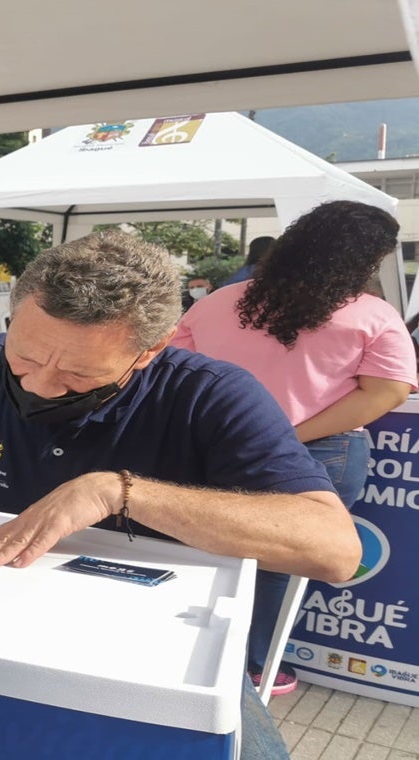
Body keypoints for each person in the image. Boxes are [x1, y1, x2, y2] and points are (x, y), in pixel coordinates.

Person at [0, 229, 360, 760]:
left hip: (161, 651)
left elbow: (335, 550)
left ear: (150, 351)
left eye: (78, 375)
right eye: (26, 356)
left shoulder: (211, 395)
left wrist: (118, 493)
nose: (39, 385)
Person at [174, 200, 416, 696]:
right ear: (365, 260)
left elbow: (178, 370)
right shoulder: (372, 315)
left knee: (206, 546)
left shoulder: (219, 301)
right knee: (282, 563)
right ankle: (259, 665)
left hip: (216, 447)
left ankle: (198, 659)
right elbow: (389, 390)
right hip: (321, 452)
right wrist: (288, 435)